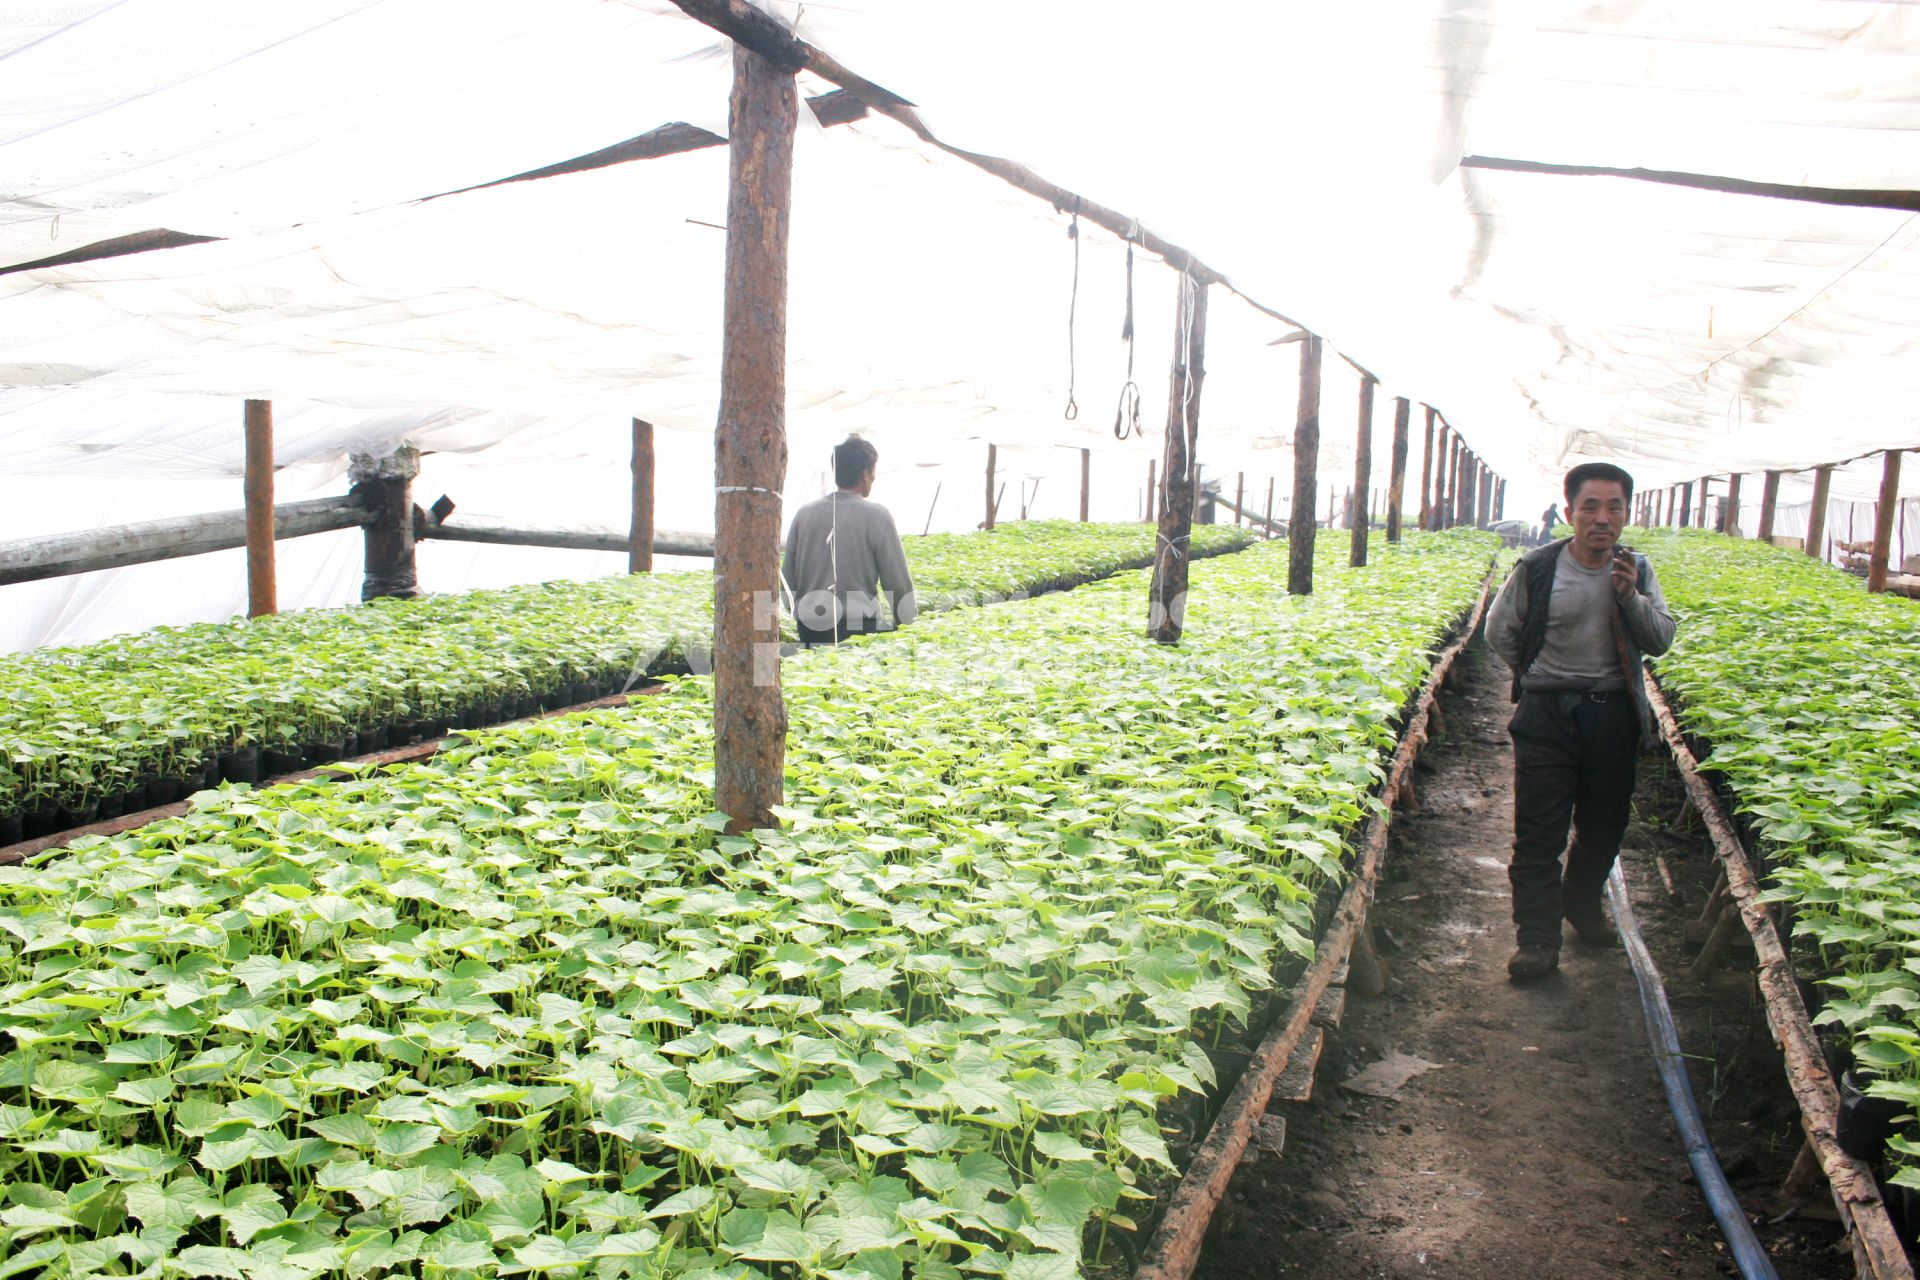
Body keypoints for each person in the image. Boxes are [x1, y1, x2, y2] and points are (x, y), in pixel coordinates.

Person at [1486, 463, 1676, 983]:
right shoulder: (1539, 566)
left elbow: (1661, 639)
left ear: (1626, 513)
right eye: (1589, 507)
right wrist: (1538, 676)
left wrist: (1630, 597)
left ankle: (1582, 902)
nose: (1602, 518)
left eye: (1614, 507)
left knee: (1603, 828)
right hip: (1547, 714)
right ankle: (1538, 939)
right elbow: (1499, 630)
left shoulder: (1636, 569)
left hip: (1612, 715)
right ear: (1569, 513)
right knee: (1538, 832)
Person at [781, 436, 916, 647]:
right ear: (865, 474)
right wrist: (907, 626)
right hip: (858, 624)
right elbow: (898, 582)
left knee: (814, 676)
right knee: (849, 677)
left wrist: (799, 609)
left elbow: (786, 581)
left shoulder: (804, 514)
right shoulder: (877, 516)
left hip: (810, 625)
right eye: (873, 473)